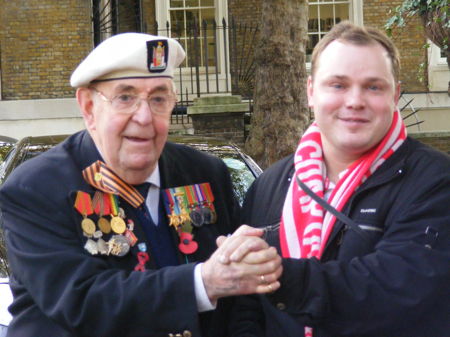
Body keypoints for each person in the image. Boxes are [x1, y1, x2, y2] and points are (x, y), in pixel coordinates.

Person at [0, 33, 282, 337]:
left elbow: (241, 303)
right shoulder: (35, 188)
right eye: (125, 98)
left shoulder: (205, 173)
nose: (144, 117)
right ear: (89, 107)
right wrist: (203, 282)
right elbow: (83, 301)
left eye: (159, 98)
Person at [230, 21, 450, 337]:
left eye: (373, 86)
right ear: (310, 92)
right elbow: (245, 312)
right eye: (338, 85)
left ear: (395, 95)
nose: (355, 101)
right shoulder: (269, 186)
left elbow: (398, 290)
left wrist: (271, 270)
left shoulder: (435, 182)